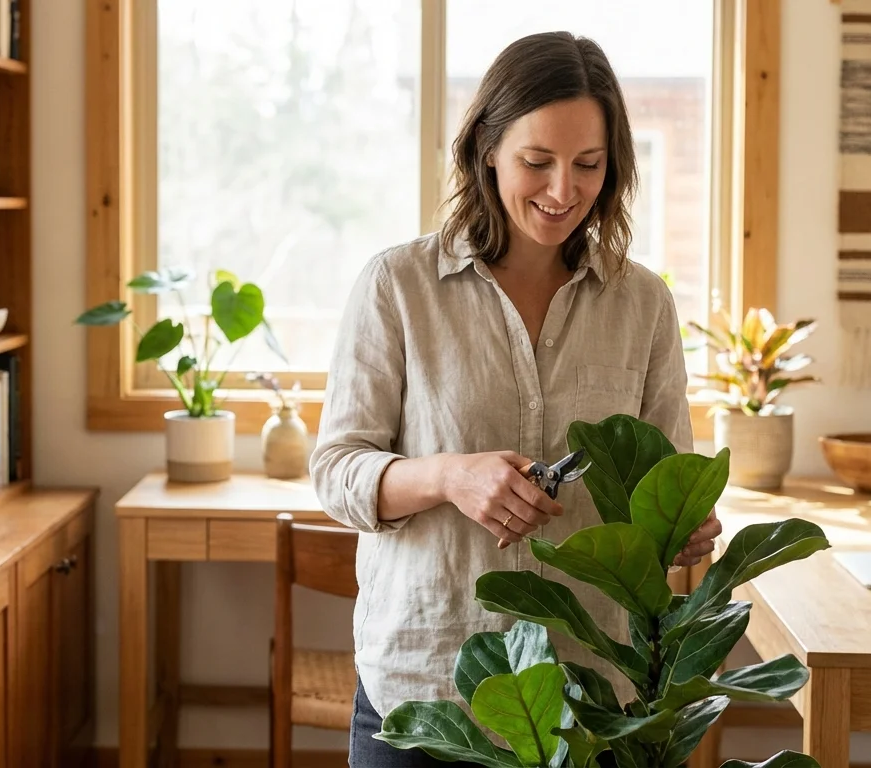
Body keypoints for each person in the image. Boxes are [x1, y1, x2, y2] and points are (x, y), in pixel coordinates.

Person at [309, 31, 722, 767]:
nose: (564, 190)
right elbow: (337, 472)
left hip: (591, 702)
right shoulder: (397, 287)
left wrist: (682, 528)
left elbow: (664, 481)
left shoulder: (644, 305)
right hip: (428, 693)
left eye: (589, 165)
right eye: (538, 162)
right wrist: (447, 476)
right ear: (487, 149)